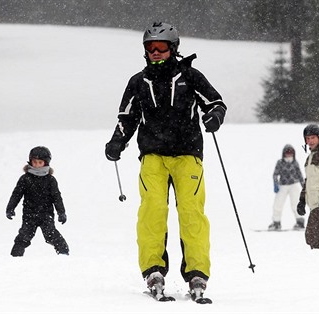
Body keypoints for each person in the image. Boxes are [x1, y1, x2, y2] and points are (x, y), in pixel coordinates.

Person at [104, 22, 226, 301]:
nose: (155, 52)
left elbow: (216, 103)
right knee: (152, 211)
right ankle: (153, 271)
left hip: (188, 155)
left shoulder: (191, 77)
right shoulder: (138, 82)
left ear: (173, 49)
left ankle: (197, 273)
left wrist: (214, 117)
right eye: (150, 47)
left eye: (161, 47)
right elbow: (127, 119)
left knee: (192, 213)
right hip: (153, 156)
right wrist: (116, 142)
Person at [5, 146, 69, 256]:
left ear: (46, 163)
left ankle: (64, 253)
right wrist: (10, 208)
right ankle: (15, 257)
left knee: (51, 234)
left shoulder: (50, 180)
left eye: (40, 162)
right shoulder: (25, 179)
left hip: (46, 214)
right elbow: (16, 195)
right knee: (24, 236)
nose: (37, 165)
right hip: (30, 214)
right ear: (30, 161)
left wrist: (61, 212)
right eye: (34, 162)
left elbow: (57, 197)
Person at [268, 144, 305, 231]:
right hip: (283, 186)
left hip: (293, 185)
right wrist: (276, 184)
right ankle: (276, 222)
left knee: (296, 203)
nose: (289, 155)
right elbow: (275, 174)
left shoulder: (295, 163)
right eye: (287, 153)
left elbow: (299, 175)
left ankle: (300, 222)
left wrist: (303, 185)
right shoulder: (280, 162)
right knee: (278, 204)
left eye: (290, 153)